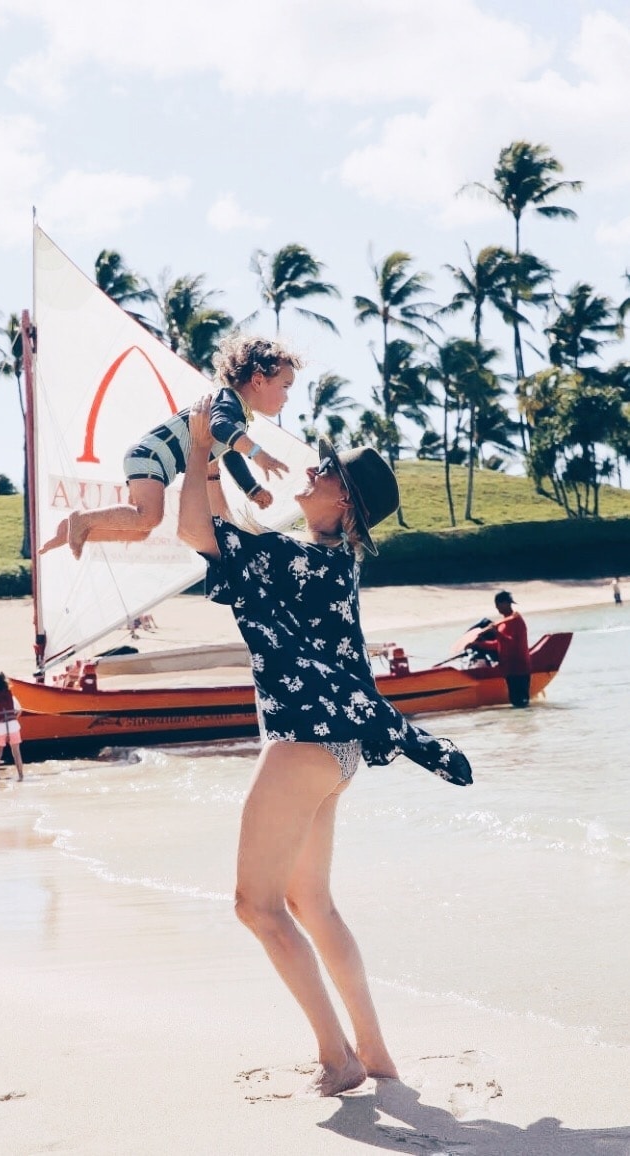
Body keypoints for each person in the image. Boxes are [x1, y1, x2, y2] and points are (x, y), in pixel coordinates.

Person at [177, 396, 473, 1098]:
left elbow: (196, 526)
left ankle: (338, 1058)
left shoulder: (305, 563)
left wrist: (195, 445)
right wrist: (220, 457)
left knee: (257, 906)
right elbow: (229, 528)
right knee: (311, 904)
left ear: (346, 503)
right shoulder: (327, 563)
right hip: (333, 753)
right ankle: (375, 1056)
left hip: (304, 745)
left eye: (330, 470)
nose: (315, 468)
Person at [39, 335, 302, 558]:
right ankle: (83, 519)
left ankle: (77, 529)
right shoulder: (227, 401)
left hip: (154, 461)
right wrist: (259, 454)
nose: (288, 398)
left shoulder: (239, 418)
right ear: (257, 381)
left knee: (142, 531)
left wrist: (251, 488)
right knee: (148, 518)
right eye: (285, 386)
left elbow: (229, 453)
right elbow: (218, 428)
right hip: (150, 456)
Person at [474, 591, 531, 707]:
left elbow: (514, 643)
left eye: (498, 604)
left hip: (520, 669)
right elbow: (499, 644)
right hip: (509, 670)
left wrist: (497, 633)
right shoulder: (502, 623)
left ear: (506, 603)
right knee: (516, 703)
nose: (496, 607)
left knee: (521, 706)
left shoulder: (516, 620)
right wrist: (480, 644)